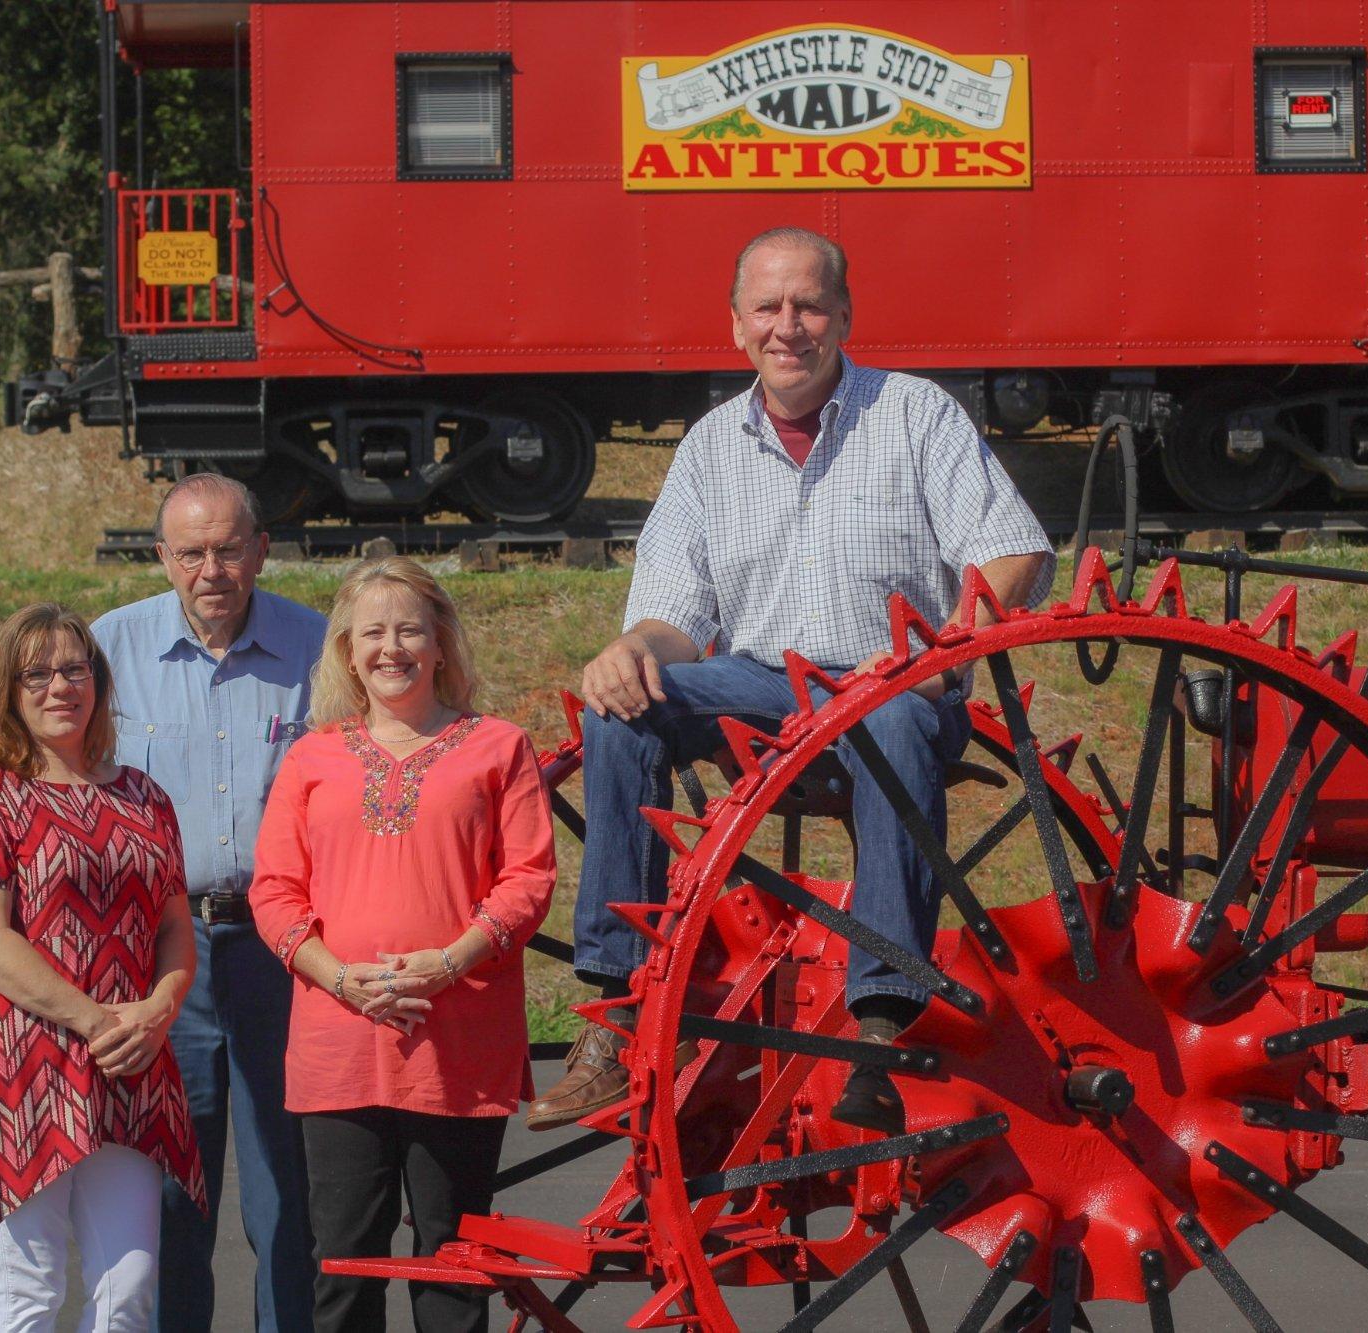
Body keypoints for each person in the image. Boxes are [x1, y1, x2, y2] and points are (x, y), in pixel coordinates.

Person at [528, 226, 1054, 1136]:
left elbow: (1011, 552)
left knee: (889, 725)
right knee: (622, 714)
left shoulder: (913, 413)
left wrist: (943, 651)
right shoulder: (707, 449)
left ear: (844, 315)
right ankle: (621, 1009)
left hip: (898, 679)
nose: (789, 326)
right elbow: (675, 619)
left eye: (809, 305)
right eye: (767, 307)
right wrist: (631, 651)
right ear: (736, 326)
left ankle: (882, 1019)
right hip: (763, 684)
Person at [250, 557, 555, 1333]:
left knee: (452, 1264)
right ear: (347, 651)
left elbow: (528, 880)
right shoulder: (312, 755)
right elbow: (274, 889)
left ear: (442, 644)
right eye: (373, 632)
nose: (393, 647)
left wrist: (451, 959)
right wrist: (340, 977)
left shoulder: (498, 745)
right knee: (345, 1261)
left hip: (456, 1039)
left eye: (410, 629)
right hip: (339, 1042)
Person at [0, 602, 205, 1331]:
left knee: (130, 1285)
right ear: (8, 692)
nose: (58, 686)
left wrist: (159, 1009)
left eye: (74, 669)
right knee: (30, 1281)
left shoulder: (145, 797)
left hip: (128, 1059)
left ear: (98, 681)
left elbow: (175, 927)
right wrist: (99, 1019)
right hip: (19, 1060)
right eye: (36, 673)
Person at [90, 473, 324, 1332]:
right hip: (164, 955)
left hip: (284, 953)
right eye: (191, 552)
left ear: (262, 547)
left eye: (230, 548)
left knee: (285, 1197)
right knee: (169, 1201)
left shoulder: (318, 647)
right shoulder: (109, 649)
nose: (213, 569)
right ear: (162, 558)